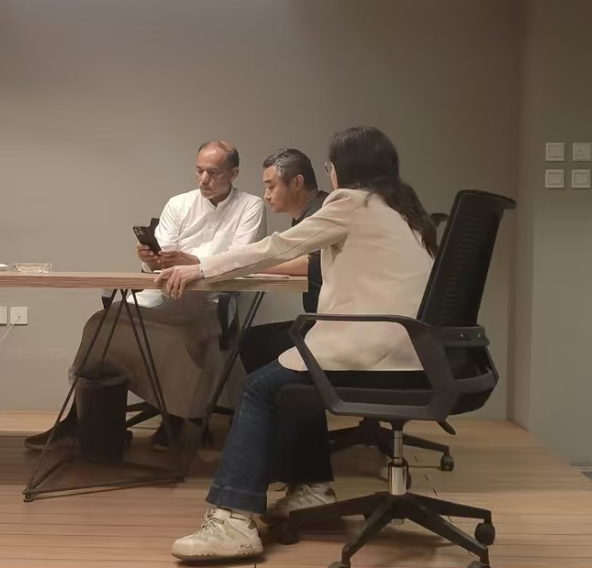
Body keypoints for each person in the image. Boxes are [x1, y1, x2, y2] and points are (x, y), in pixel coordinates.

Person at [157, 126, 439, 561]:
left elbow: (279, 246)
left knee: (258, 388)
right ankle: (312, 489)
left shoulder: (352, 203)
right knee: (286, 381)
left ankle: (233, 521)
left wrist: (203, 268)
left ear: (344, 168)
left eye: (330, 165)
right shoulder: (403, 211)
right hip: (416, 355)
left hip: (373, 350)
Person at [24, 140, 266, 451]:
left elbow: (242, 259)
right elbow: (158, 260)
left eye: (213, 173)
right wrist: (150, 259)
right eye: (199, 171)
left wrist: (194, 262)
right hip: (162, 292)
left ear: (233, 174)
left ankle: (175, 416)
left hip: (207, 300)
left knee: (176, 336)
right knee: (101, 324)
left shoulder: (250, 206)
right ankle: (82, 420)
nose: (204, 179)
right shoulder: (179, 203)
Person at [237, 148, 329, 374]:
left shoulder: (321, 212)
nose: (266, 196)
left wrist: (254, 264)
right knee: (252, 339)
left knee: (253, 342)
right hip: (322, 321)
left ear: (297, 183)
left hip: (331, 327)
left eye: (271, 187)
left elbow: (314, 263)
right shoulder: (309, 213)